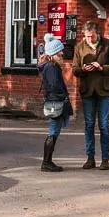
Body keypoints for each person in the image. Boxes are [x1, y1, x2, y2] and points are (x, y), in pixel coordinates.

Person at [72, 20, 109, 170]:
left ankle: (105, 159)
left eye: (91, 36)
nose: (89, 39)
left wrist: (102, 67)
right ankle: (90, 158)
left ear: (97, 33)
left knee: (104, 126)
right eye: (86, 37)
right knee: (89, 125)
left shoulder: (107, 45)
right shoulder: (79, 47)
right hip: (87, 91)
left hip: (104, 91)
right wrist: (83, 69)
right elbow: (74, 69)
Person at [39, 34, 73, 173]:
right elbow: (54, 85)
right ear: (54, 53)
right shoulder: (52, 67)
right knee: (53, 132)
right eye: (60, 51)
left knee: (54, 131)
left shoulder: (49, 66)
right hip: (55, 103)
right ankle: (46, 162)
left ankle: (47, 161)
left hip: (54, 101)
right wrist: (62, 96)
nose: (62, 53)